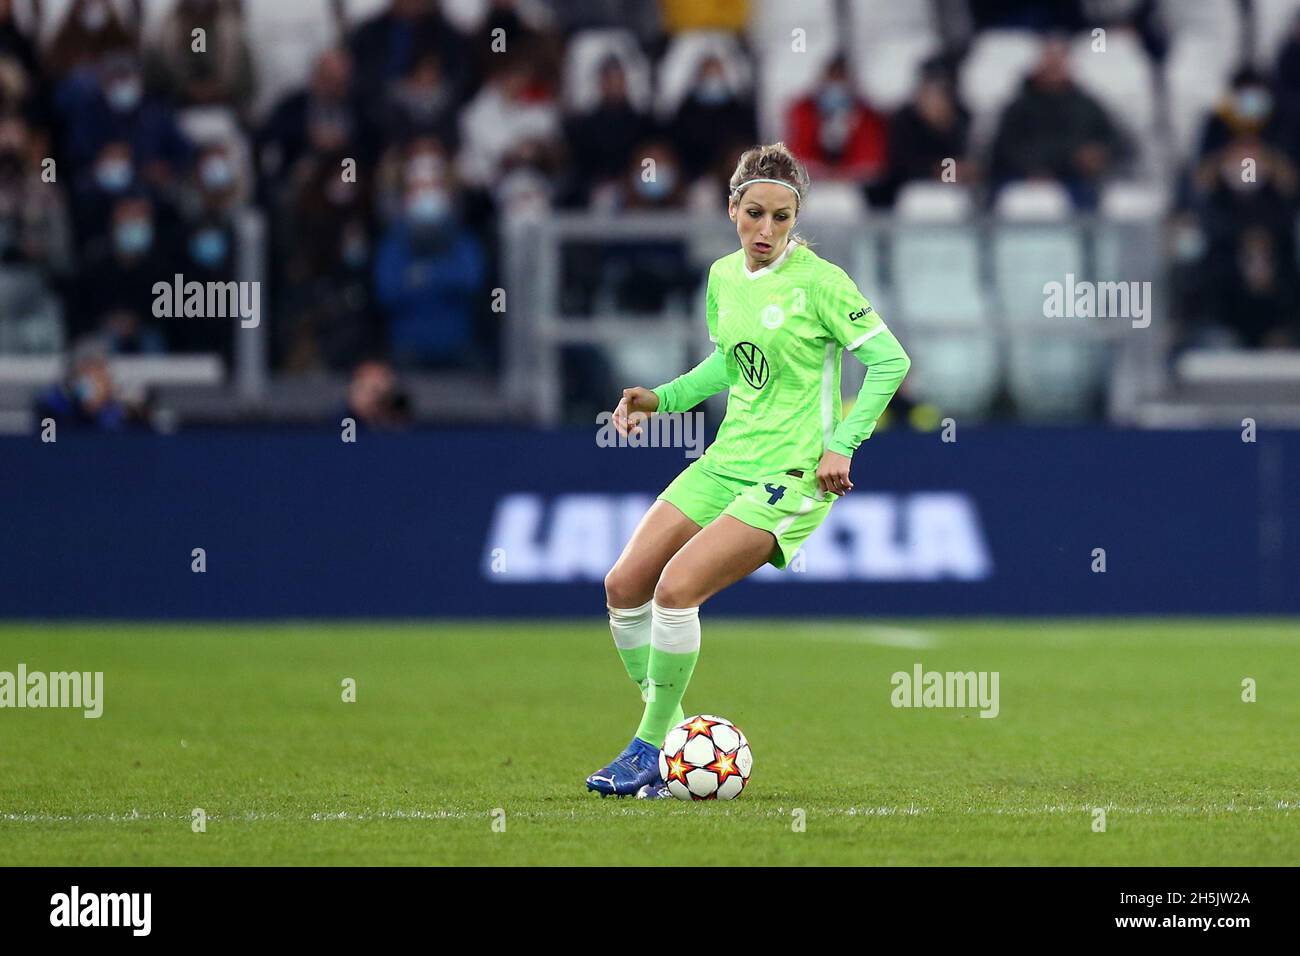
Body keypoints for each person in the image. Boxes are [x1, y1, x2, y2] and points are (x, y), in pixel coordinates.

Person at [586, 143, 911, 799]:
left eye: (782, 219)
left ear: (797, 219)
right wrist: (664, 397)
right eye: (755, 213)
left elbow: (890, 363)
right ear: (733, 207)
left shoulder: (821, 283)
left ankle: (648, 748)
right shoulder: (722, 277)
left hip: (792, 473)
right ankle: (672, 742)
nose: (766, 231)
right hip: (726, 460)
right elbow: (729, 365)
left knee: (676, 591)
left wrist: (843, 442)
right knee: (624, 586)